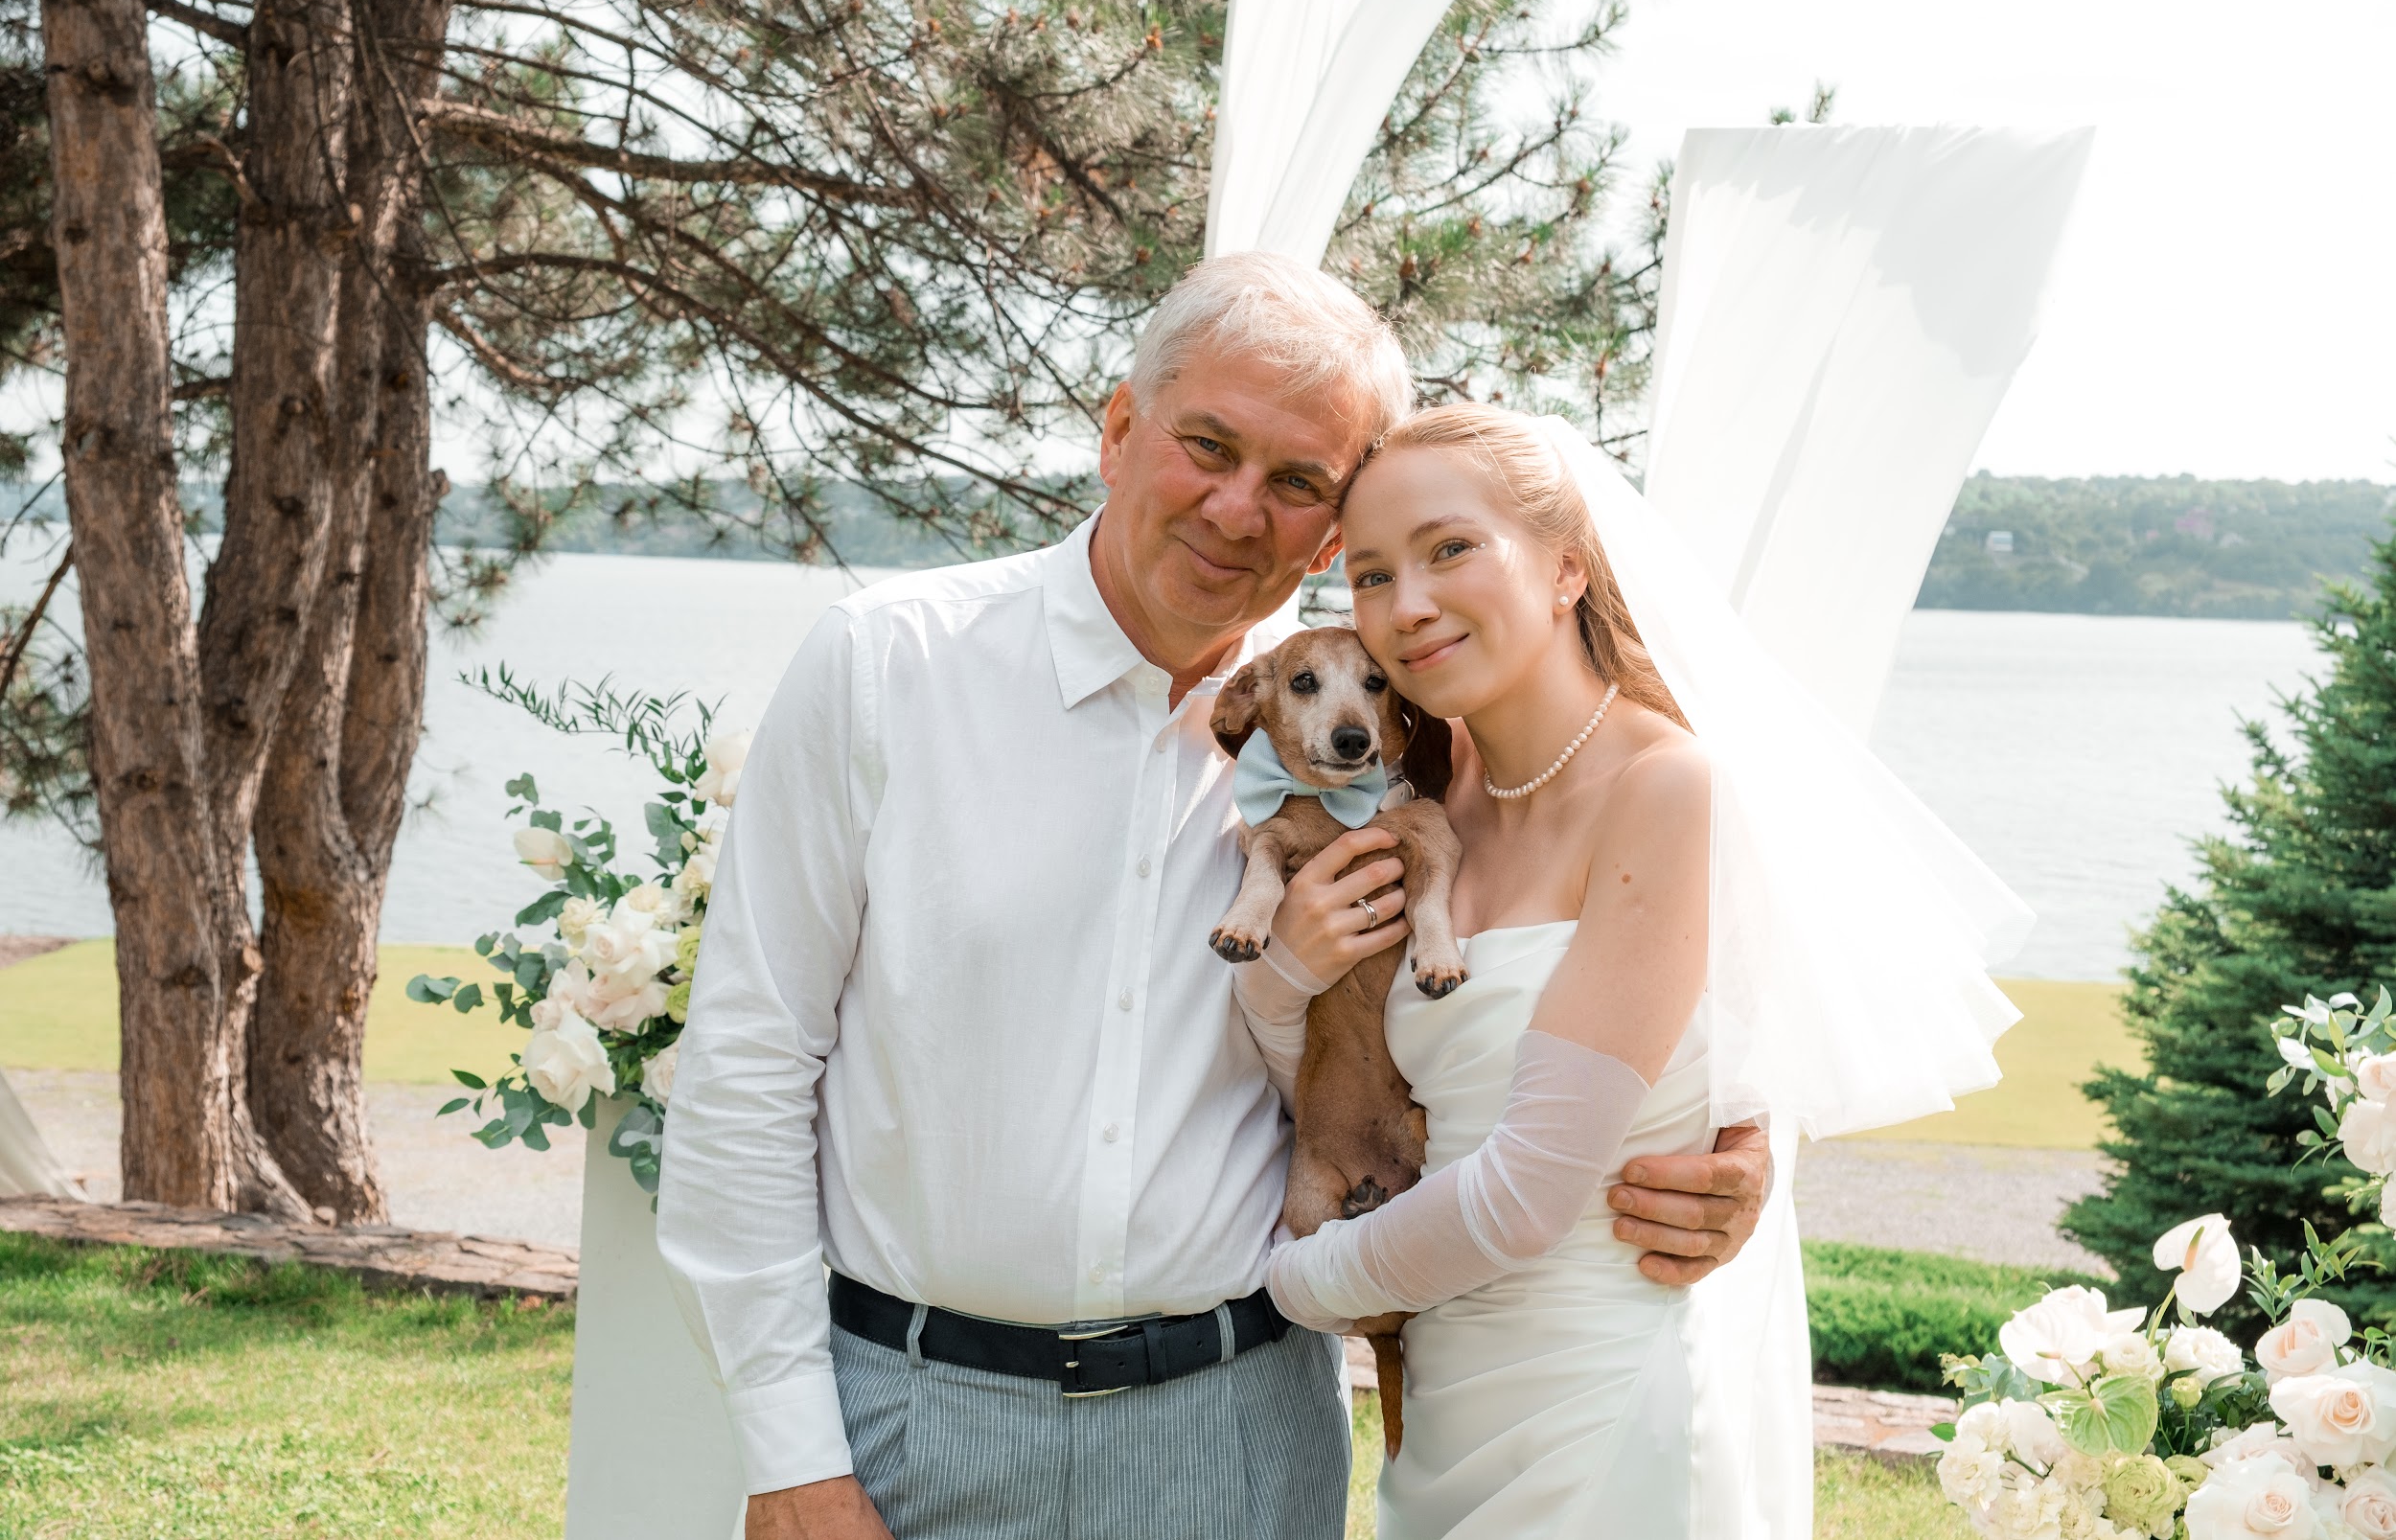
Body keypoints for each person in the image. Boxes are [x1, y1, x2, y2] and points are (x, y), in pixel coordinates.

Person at [654, 253, 1772, 1540]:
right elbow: (748, 1063)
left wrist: (1734, 1134)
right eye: (1207, 445)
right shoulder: (886, 667)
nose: (1238, 509)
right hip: (912, 1420)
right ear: (1119, 429)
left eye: (1297, 482)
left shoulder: (1395, 743)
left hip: (1241, 1433)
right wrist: (791, 1455)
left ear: (1328, 529)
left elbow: (1592, 943)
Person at [1252, 402, 2029, 1538]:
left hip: (1602, 1405)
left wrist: (1283, 1283)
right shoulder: (1424, 790)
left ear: (1566, 567)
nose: (1405, 603)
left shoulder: (1664, 783)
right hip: (1451, 1402)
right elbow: (1353, 1071)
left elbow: (1526, 1192)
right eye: (1370, 574)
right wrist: (1280, 971)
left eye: (1449, 548)